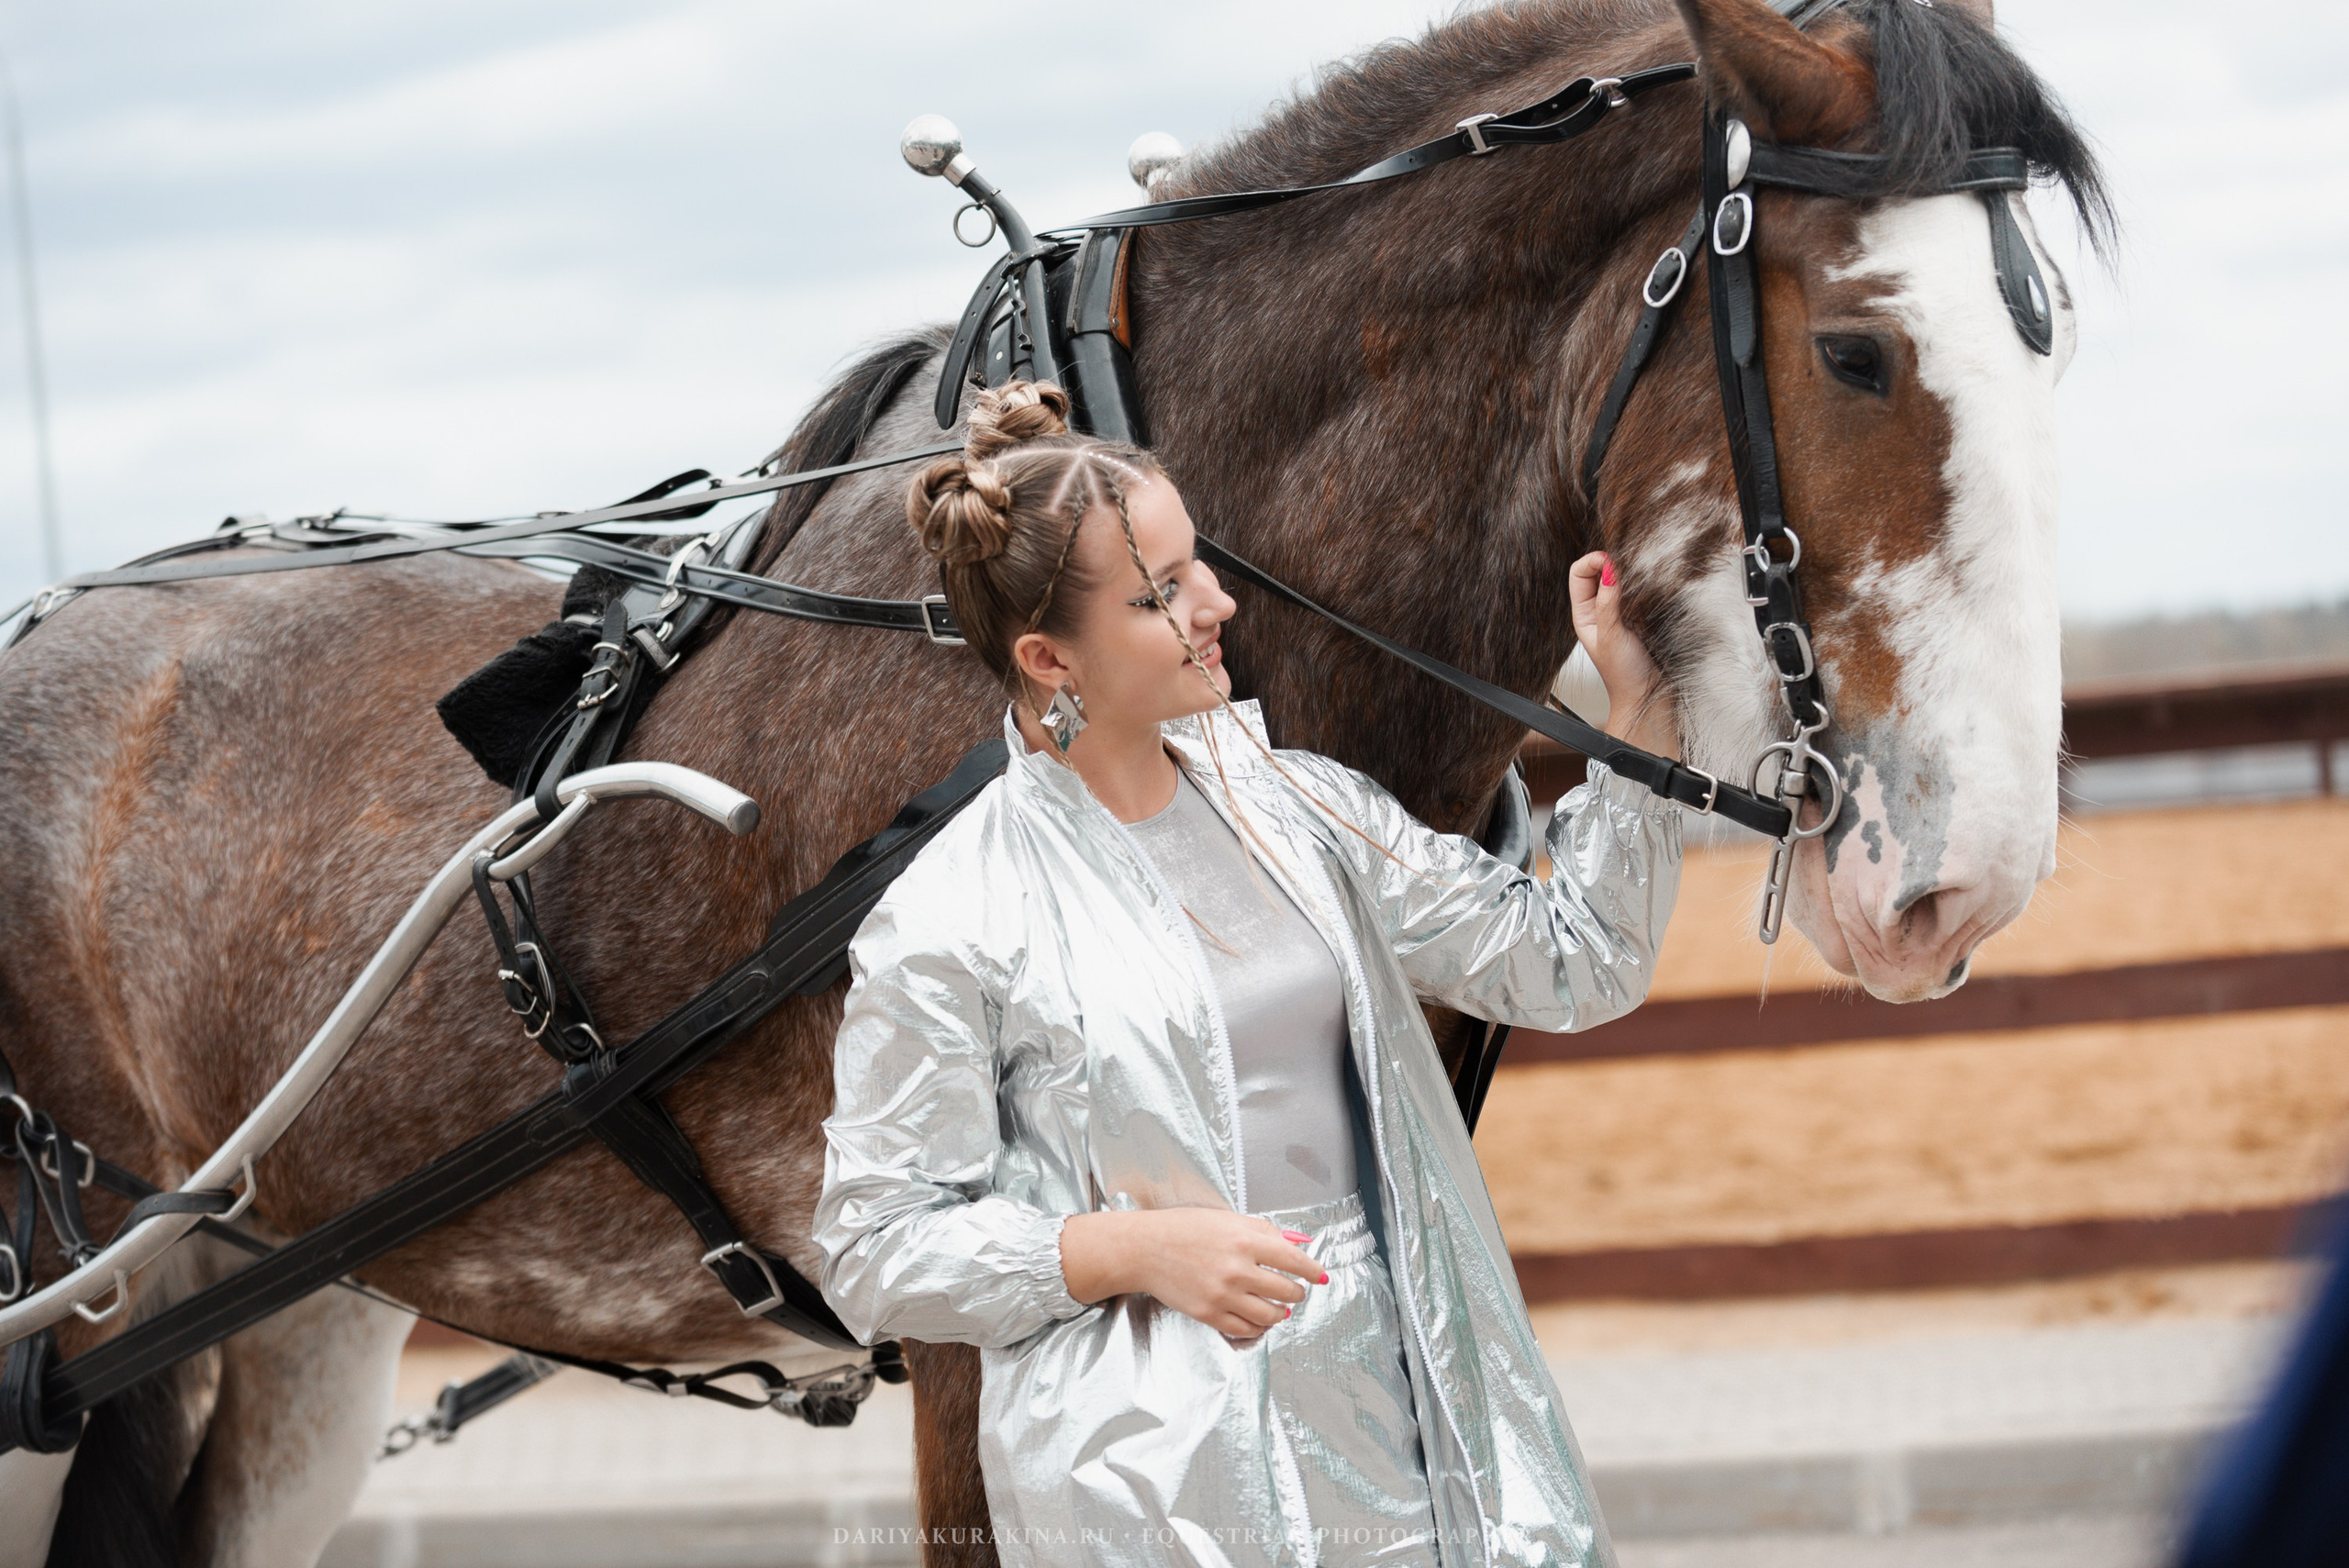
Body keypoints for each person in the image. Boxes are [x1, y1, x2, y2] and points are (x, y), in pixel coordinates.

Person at [815, 381, 1682, 1568]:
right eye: (1163, 593)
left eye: (1197, 565)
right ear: (1046, 656)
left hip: (1402, 1418)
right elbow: (873, 1245)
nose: (1217, 602)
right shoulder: (951, 915)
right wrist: (1134, 1250)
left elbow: (1569, 959)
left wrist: (1634, 720)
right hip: (1147, 1492)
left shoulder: (1306, 808)